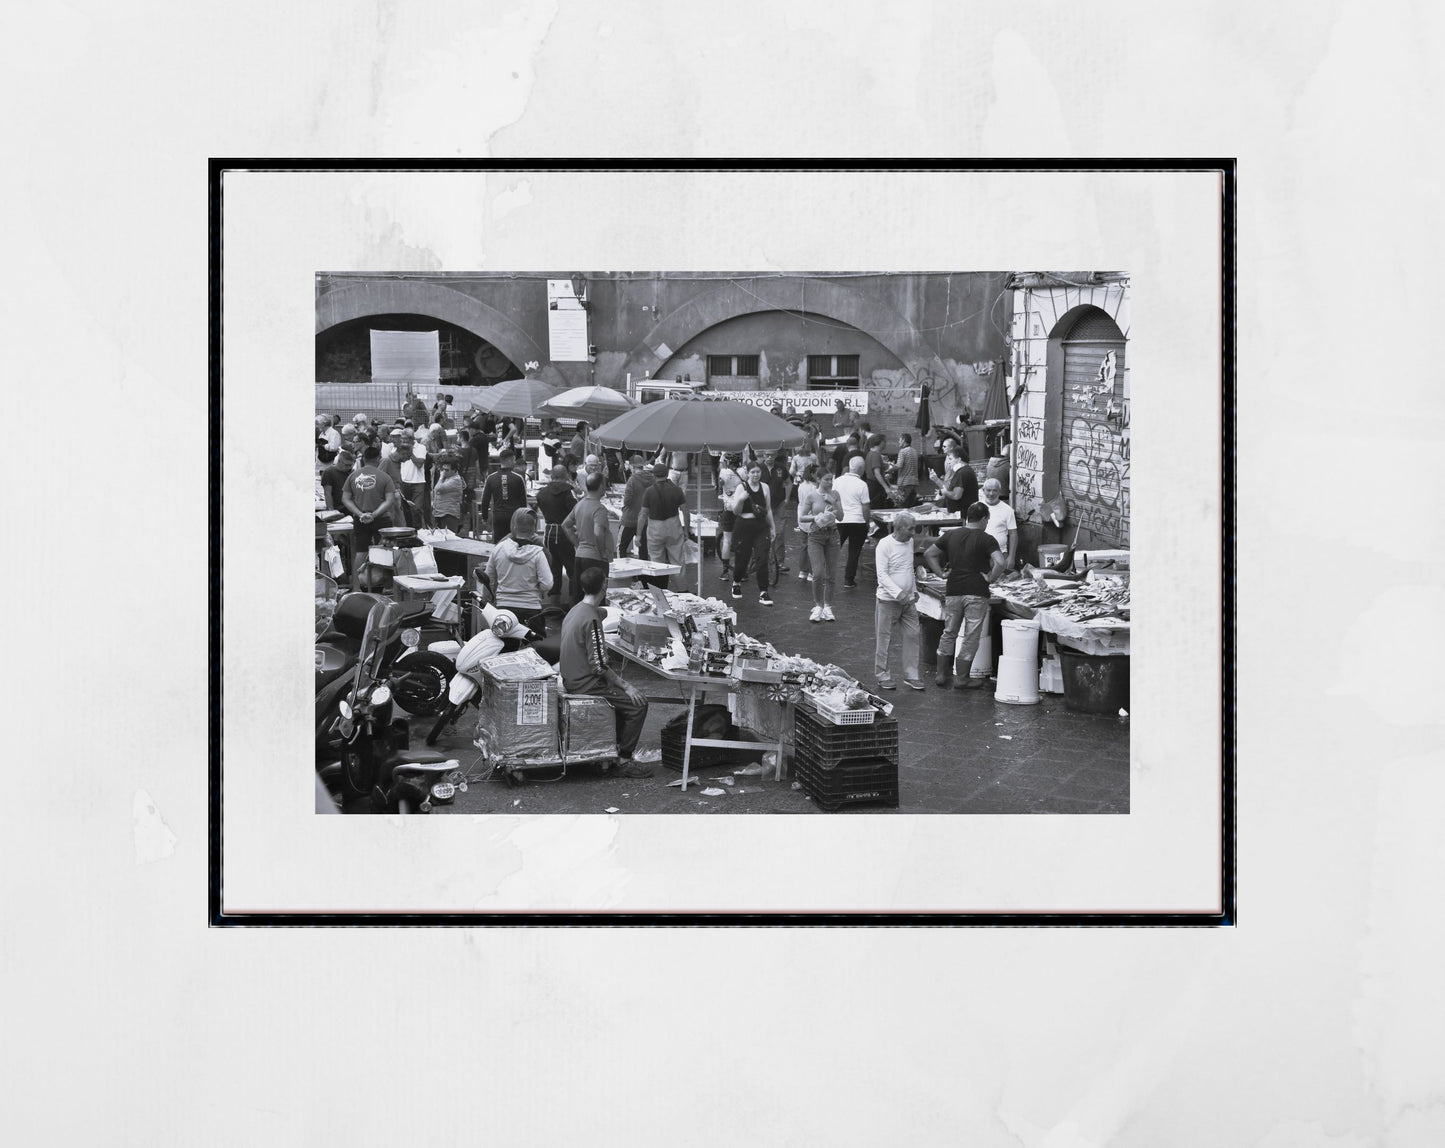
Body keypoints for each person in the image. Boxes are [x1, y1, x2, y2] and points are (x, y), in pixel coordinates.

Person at [559, 565, 653, 778]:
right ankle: (624, 760)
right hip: (586, 683)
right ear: (605, 585)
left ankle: (613, 750)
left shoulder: (575, 611)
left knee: (619, 695)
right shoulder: (591, 620)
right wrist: (626, 686)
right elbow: (599, 665)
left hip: (572, 677)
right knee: (638, 703)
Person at [924, 501, 1007, 689]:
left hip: (953, 590)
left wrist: (941, 573)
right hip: (977, 592)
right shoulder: (987, 539)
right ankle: (962, 677)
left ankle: (941, 674)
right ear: (984, 519)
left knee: (949, 632)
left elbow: (930, 554)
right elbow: (1000, 562)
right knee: (971, 636)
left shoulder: (951, 535)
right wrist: (991, 577)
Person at [873, 511, 926, 691]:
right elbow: (882, 575)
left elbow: (908, 568)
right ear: (900, 527)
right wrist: (898, 593)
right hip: (888, 600)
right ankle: (882, 675)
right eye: (911, 528)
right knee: (884, 639)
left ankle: (912, 675)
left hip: (908, 601)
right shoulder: (884, 545)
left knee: (913, 635)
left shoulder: (909, 542)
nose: (914, 532)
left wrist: (913, 591)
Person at [485, 508, 554, 636]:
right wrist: (538, 588)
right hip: (531, 609)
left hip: (503, 608)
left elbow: (488, 577)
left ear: (514, 526)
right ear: (534, 529)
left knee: (504, 647)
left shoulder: (499, 548)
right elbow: (547, 584)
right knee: (534, 649)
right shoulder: (538, 552)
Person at [561, 470, 615, 602]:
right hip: (595, 558)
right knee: (597, 598)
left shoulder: (580, 504)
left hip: (580, 555)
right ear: (601, 486)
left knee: (580, 597)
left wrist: (578, 544)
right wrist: (602, 552)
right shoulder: (599, 508)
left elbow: (565, 525)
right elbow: (598, 532)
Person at [727, 462, 776, 605]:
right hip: (744, 526)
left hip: (761, 526)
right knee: (742, 559)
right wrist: (741, 499)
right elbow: (736, 512)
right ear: (747, 473)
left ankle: (763, 592)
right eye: (753, 472)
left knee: (762, 558)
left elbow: (768, 509)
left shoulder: (765, 487)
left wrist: (773, 527)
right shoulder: (741, 488)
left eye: (758, 472)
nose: (756, 475)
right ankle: (736, 582)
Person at [638, 461, 689, 590]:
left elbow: (643, 514)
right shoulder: (676, 490)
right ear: (667, 474)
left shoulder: (649, 492)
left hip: (655, 528)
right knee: (678, 560)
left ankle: (660, 591)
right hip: (673, 525)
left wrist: (638, 535)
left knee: (656, 562)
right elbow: (685, 511)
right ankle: (682, 590)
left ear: (654, 475)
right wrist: (686, 530)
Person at [799, 469, 842, 622]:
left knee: (831, 574)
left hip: (832, 535)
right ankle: (818, 605)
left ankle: (828, 606)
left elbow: (841, 517)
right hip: (815, 536)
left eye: (831, 479)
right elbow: (801, 517)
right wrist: (814, 517)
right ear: (818, 480)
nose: (830, 482)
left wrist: (833, 502)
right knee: (818, 573)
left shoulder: (835, 494)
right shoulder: (811, 495)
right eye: (826, 479)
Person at [341, 444, 400, 554]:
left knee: (361, 552)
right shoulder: (385, 477)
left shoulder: (353, 476)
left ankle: (359, 572)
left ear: (363, 458)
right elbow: (390, 500)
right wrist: (374, 514)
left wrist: (360, 514)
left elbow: (345, 499)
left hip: (360, 519)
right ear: (378, 459)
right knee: (384, 552)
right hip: (382, 518)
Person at [535, 464, 578, 602]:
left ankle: (554, 608)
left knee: (554, 570)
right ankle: (572, 607)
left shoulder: (542, 493)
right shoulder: (568, 492)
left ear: (552, 476)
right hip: (565, 533)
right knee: (572, 571)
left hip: (548, 534)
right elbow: (576, 511)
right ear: (565, 476)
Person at [833, 455, 872, 589]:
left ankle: (826, 576)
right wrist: (867, 522)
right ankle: (849, 580)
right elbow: (865, 507)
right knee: (854, 551)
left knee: (833, 549)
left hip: (840, 520)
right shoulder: (862, 484)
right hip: (857, 520)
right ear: (861, 469)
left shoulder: (837, 481)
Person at [480, 448, 528, 542]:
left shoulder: (491, 478)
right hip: (514, 517)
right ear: (509, 460)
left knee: (499, 543)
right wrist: (522, 518)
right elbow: (524, 502)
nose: (514, 463)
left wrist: (484, 517)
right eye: (514, 460)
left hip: (498, 516)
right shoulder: (518, 478)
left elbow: (484, 500)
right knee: (514, 543)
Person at [618, 454, 654, 559]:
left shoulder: (632, 480)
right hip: (645, 521)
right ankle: (642, 575)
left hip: (629, 518)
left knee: (621, 547)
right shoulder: (652, 479)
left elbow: (627, 501)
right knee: (643, 551)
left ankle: (623, 572)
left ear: (633, 466)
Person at [980, 477, 1018, 571]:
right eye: (988, 490)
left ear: (999, 492)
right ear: (983, 490)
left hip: (1000, 554)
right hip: (979, 553)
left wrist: (1011, 557)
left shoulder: (1007, 510)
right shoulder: (976, 507)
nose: (991, 494)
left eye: (994, 491)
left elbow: (1013, 534)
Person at [765, 451, 792, 575]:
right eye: (767, 455)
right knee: (763, 532)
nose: (769, 457)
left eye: (771, 455)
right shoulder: (758, 468)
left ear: (775, 456)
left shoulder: (781, 468)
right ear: (763, 456)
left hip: (779, 504)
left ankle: (779, 562)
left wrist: (787, 498)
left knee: (779, 532)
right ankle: (763, 560)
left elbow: (788, 482)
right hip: (764, 506)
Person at [794, 462, 820, 583]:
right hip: (811, 517)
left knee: (804, 545)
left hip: (801, 515)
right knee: (813, 546)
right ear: (812, 473)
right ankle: (811, 572)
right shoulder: (815, 488)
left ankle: (802, 571)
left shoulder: (801, 485)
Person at [715, 468, 741, 583]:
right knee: (742, 540)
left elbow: (720, 485)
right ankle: (742, 571)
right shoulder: (744, 471)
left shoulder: (723, 472)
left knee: (726, 541)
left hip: (728, 510)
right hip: (741, 510)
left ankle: (725, 571)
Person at [430, 453, 465, 532]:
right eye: (443, 469)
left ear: (454, 470)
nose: (444, 472)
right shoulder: (446, 478)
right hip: (439, 513)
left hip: (449, 514)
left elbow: (437, 488)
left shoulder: (456, 480)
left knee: (449, 540)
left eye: (447, 470)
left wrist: (441, 477)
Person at [941, 444, 978, 515]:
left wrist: (944, 492)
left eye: (950, 459)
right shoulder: (964, 470)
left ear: (958, 459)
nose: (948, 462)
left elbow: (956, 495)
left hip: (962, 514)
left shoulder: (962, 473)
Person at [319, 448, 355, 512]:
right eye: (347, 465)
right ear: (339, 461)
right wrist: (331, 511)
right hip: (338, 508)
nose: (349, 467)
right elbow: (328, 494)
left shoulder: (351, 472)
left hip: (350, 507)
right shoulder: (329, 472)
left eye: (351, 465)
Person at [891, 433, 920, 508]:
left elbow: (899, 465)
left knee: (902, 506)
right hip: (914, 482)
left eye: (899, 440)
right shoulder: (914, 451)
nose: (898, 442)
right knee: (911, 506)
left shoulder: (902, 451)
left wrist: (889, 469)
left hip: (905, 483)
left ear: (903, 440)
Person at [864, 433, 891, 506]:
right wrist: (886, 488)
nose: (886, 444)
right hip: (875, 487)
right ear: (880, 442)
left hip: (870, 484)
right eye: (885, 442)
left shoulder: (870, 453)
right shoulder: (876, 455)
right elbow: (877, 473)